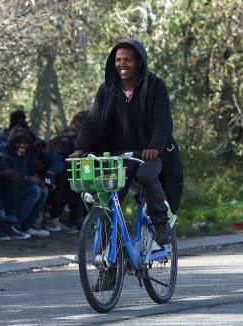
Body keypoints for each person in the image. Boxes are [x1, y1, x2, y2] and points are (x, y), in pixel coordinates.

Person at [71, 38, 183, 246]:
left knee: (147, 176)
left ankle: (161, 223)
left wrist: (154, 147)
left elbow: (164, 122)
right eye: (117, 59)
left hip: (149, 153)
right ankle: (109, 263)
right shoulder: (107, 89)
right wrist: (80, 149)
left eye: (127, 60)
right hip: (118, 155)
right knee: (106, 198)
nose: (121, 64)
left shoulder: (155, 86)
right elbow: (92, 122)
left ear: (139, 61)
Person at [0, 126, 53, 238]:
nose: (22, 145)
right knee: (35, 190)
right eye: (19, 141)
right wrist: (29, 179)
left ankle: (28, 225)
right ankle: (13, 224)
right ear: (12, 142)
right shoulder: (4, 154)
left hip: (20, 188)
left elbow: (44, 163)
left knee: (43, 189)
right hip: (6, 196)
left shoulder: (28, 155)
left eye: (25, 142)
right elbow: (12, 176)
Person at [44, 111, 89, 232]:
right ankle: (56, 219)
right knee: (71, 185)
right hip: (56, 173)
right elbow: (59, 160)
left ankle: (75, 219)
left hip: (60, 171)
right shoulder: (70, 138)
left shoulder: (68, 136)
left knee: (77, 183)